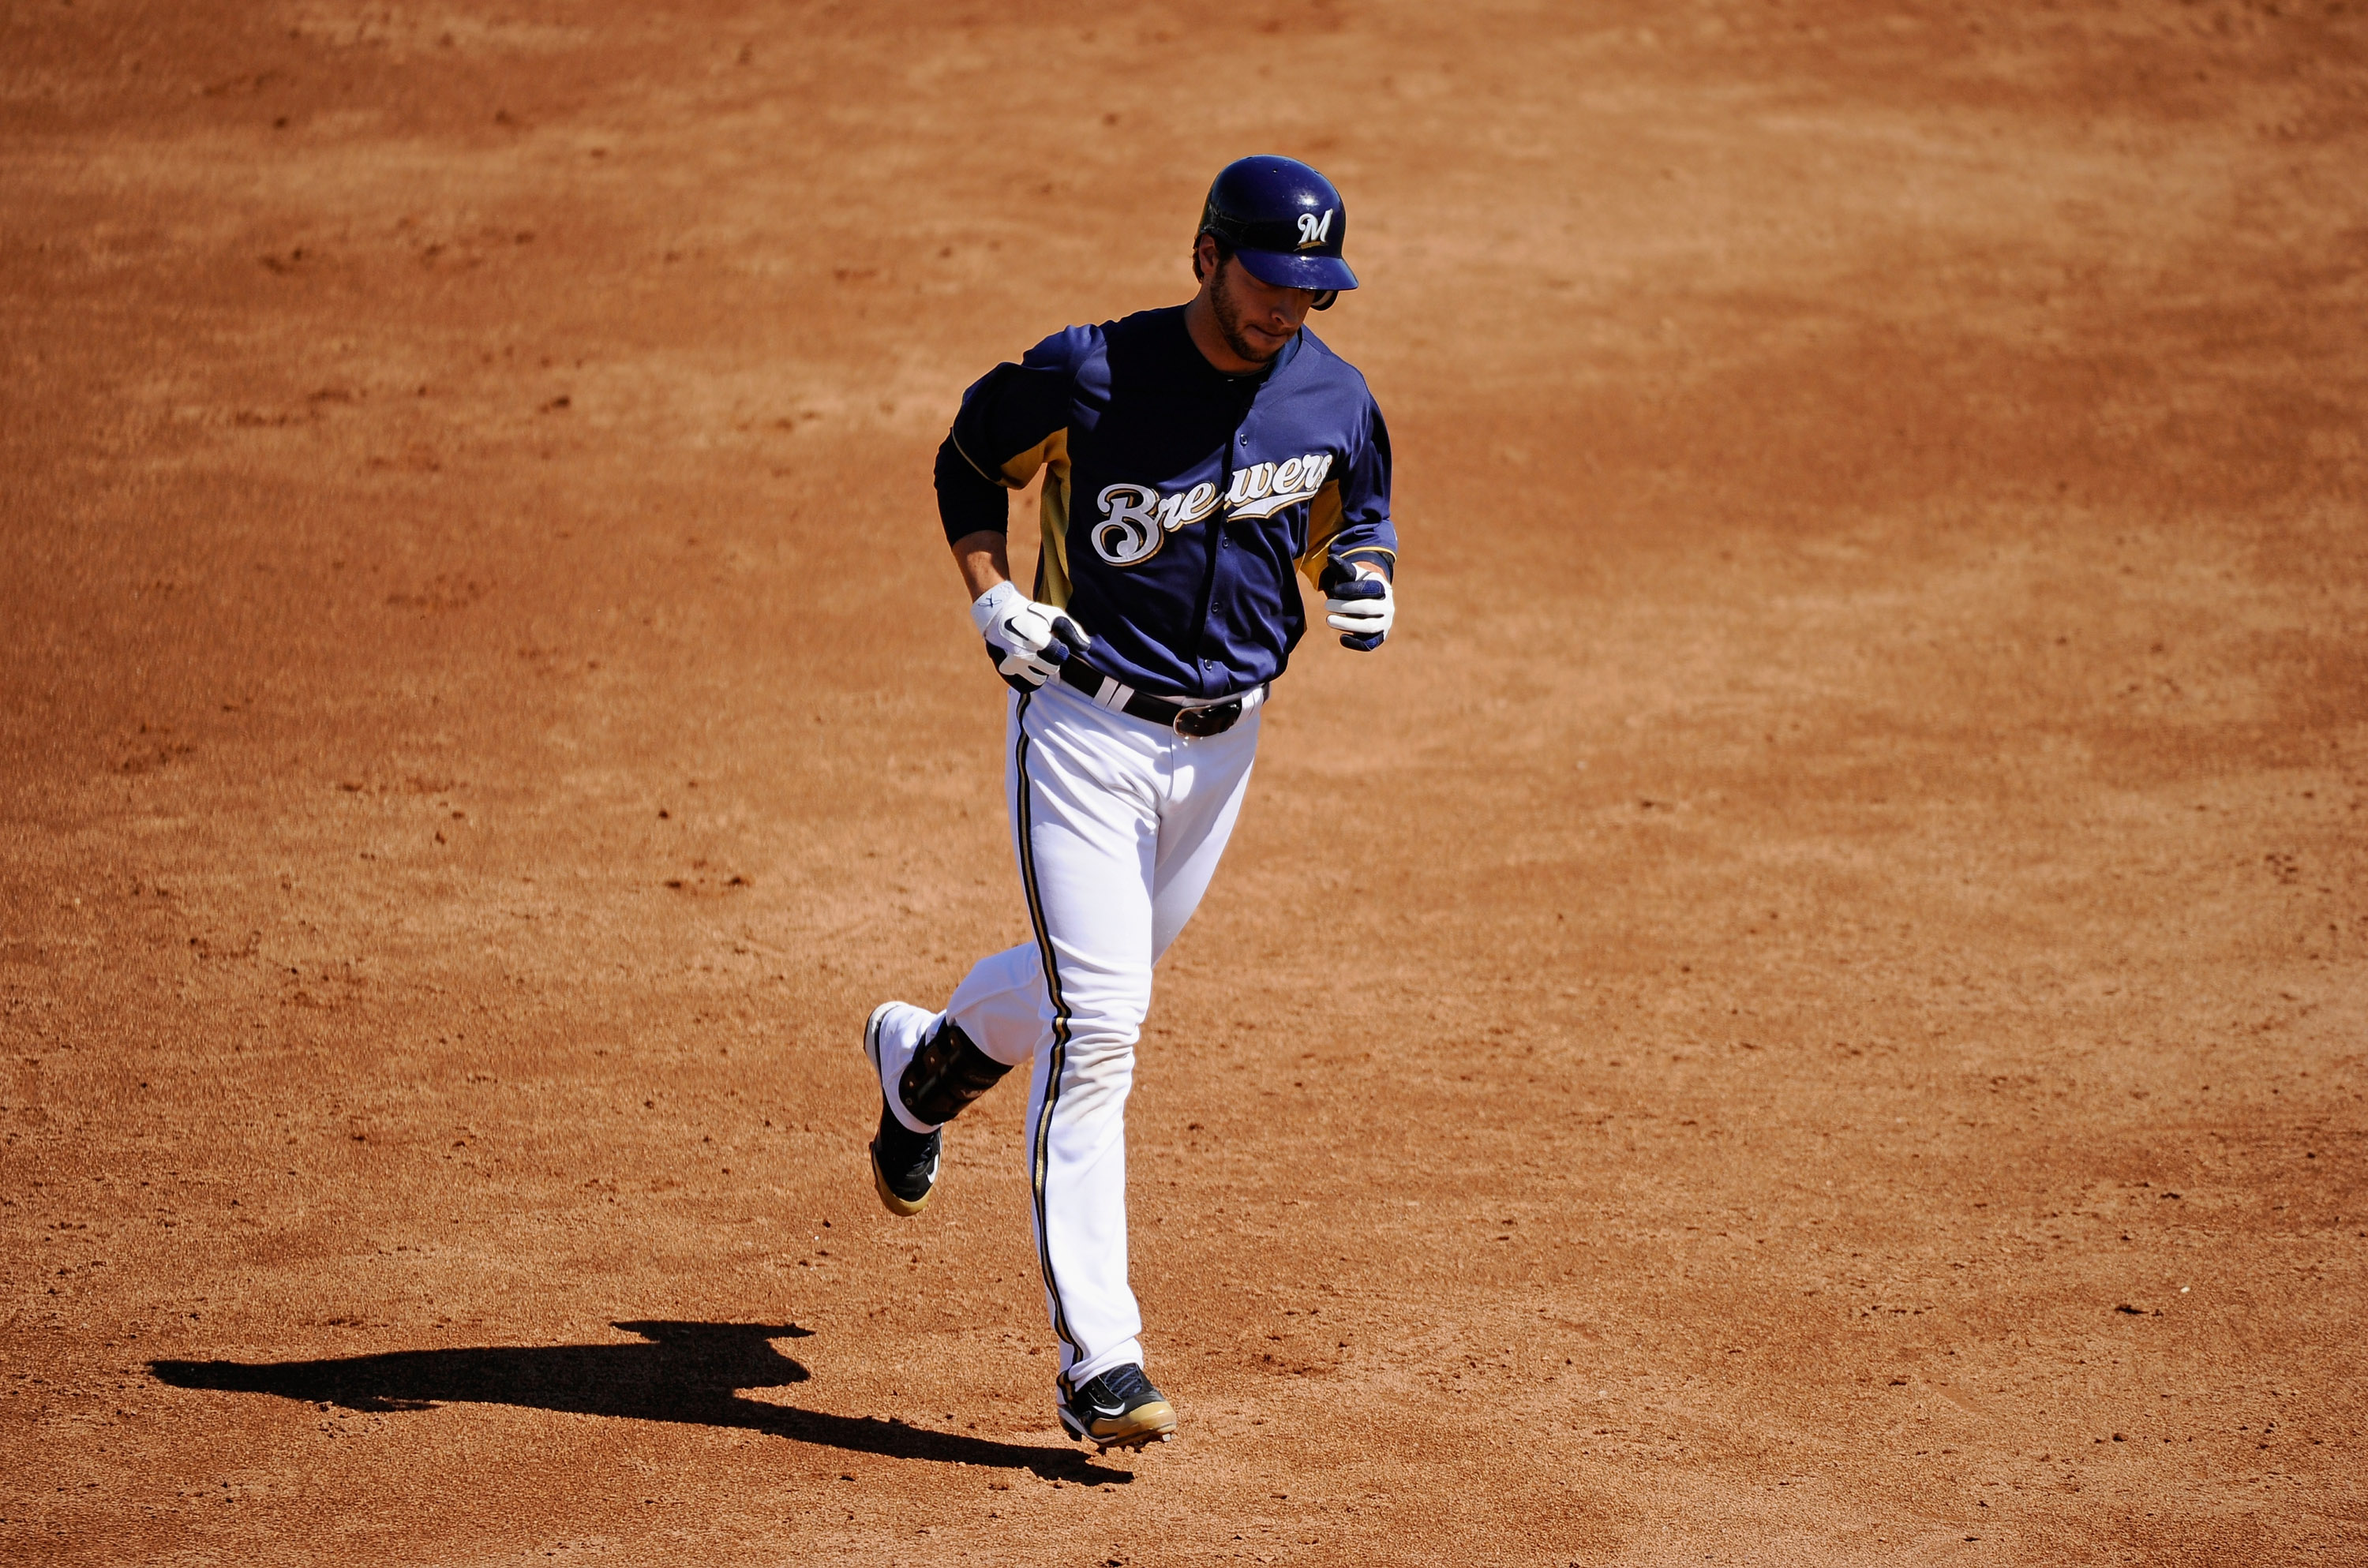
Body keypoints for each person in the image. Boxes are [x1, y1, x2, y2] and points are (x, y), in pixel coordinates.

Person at [859, 155, 1398, 1453]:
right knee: (1102, 1026)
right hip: (1085, 726)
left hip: (1224, 752)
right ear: (1206, 256)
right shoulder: (1091, 373)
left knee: (1079, 989)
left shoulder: (1332, 393)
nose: (1288, 310)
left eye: (1313, 290)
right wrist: (990, 592)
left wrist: (1365, 581)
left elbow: (1349, 512)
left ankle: (922, 1066)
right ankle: (1099, 1356)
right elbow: (966, 458)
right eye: (1270, 280)